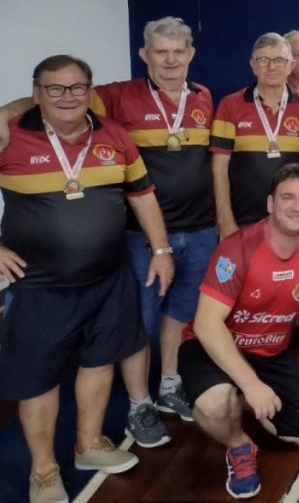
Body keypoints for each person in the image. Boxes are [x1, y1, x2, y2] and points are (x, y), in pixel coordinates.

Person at [0, 16, 214, 445]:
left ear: (191, 55)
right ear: (144, 55)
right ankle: (139, 404)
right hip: (138, 236)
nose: (170, 60)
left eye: (178, 52)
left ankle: (169, 384)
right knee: (136, 326)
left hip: (197, 228)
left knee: (179, 313)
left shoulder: (204, 97)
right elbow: (61, 98)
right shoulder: (116, 95)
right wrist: (4, 112)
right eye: (160, 52)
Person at [0, 55, 174, 503]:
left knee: (100, 361)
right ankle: (43, 470)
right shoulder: (9, 136)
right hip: (40, 285)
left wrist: (161, 251)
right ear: (36, 93)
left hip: (108, 276)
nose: (68, 97)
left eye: (77, 87)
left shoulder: (114, 135)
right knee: (39, 378)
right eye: (55, 88)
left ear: (89, 92)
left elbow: (143, 196)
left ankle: (88, 443)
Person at [179, 164, 299, 499]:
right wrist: (251, 384)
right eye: (288, 197)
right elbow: (206, 324)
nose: (298, 206)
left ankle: (243, 401)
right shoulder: (238, 249)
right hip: (212, 347)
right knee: (214, 405)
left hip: (269, 352)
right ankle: (239, 444)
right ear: (270, 204)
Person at [210, 32, 299, 237]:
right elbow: (219, 168)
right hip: (243, 221)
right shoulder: (229, 105)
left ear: (290, 66)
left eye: (279, 60)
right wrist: (225, 221)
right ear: (253, 65)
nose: (272, 67)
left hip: (295, 221)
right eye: (263, 60)